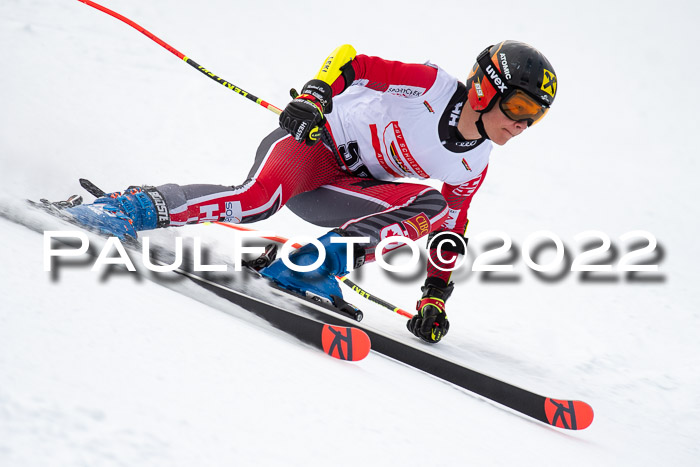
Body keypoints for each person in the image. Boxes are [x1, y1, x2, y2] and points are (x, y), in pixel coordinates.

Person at [57, 40, 558, 344]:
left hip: (348, 190)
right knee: (255, 200)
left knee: (430, 207)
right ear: (484, 88)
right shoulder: (430, 86)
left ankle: (307, 268)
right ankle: (127, 209)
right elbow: (353, 62)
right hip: (314, 143)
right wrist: (315, 95)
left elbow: (451, 227)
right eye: (517, 106)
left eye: (534, 117)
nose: (521, 124)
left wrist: (435, 297)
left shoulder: (476, 160)